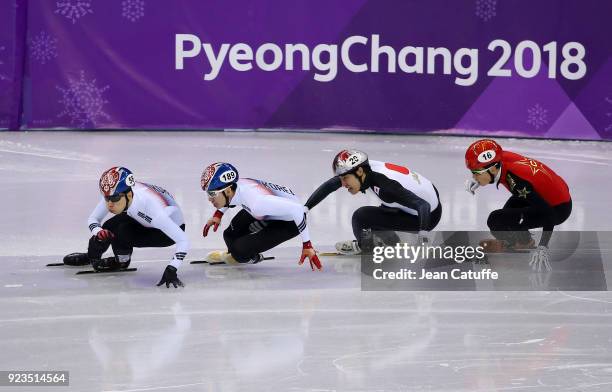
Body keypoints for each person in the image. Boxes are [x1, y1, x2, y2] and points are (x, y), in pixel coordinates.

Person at [63, 167, 189, 288]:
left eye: (114, 198)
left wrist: (172, 268)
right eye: (106, 198)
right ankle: (91, 257)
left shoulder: (154, 211)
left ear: (128, 195)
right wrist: (99, 232)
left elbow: (183, 241)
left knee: (122, 231)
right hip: (144, 218)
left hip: (166, 231)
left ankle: (122, 262)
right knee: (108, 227)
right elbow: (93, 219)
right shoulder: (116, 190)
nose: (110, 204)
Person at [305, 149, 442, 255]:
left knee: (361, 217)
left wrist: (423, 241)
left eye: (345, 179)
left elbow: (424, 205)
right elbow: (329, 186)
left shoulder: (386, 187)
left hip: (427, 215)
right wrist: (305, 209)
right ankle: (388, 241)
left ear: (359, 171)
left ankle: (370, 246)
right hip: (427, 196)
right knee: (382, 209)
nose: (343, 184)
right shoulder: (364, 169)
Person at [464, 139, 572, 271]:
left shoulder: (517, 182)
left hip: (557, 208)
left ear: (492, 169)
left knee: (496, 220)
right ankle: (520, 239)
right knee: (504, 221)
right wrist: (480, 181)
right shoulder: (500, 158)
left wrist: (543, 246)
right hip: (548, 192)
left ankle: (524, 242)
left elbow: (548, 213)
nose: (474, 177)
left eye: (476, 173)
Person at [200, 162, 322, 271]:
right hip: (269, 211)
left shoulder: (257, 202)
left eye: (212, 194)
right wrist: (218, 213)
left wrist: (307, 244)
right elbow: (227, 200)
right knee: (229, 235)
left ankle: (253, 257)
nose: (209, 199)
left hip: (289, 222)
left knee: (239, 251)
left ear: (227, 191)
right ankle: (240, 254)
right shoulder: (235, 187)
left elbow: (298, 210)